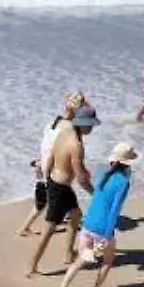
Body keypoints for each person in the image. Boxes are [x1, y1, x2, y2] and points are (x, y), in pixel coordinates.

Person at [53, 142, 139, 287]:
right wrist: (107, 235)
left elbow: (97, 198)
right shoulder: (123, 182)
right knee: (108, 260)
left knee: (80, 261)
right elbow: (114, 210)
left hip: (88, 223)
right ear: (128, 163)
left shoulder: (103, 173)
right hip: (102, 229)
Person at [28, 104, 99, 276]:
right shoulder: (77, 145)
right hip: (60, 189)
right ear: (81, 123)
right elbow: (81, 179)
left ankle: (68, 253)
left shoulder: (64, 132)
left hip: (56, 182)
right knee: (49, 229)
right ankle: (32, 267)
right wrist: (96, 194)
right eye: (89, 124)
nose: (92, 127)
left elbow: (53, 156)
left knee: (76, 215)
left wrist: (48, 178)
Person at [17, 92, 88, 237]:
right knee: (45, 202)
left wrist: (40, 162)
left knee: (49, 199)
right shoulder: (69, 129)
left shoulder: (53, 122)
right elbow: (55, 152)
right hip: (51, 169)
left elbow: (46, 146)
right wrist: (48, 173)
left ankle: (63, 218)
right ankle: (25, 228)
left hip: (43, 163)